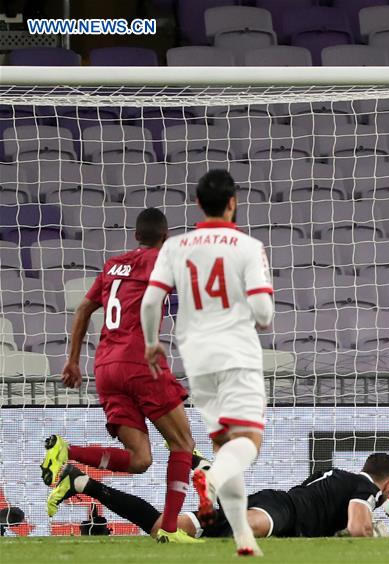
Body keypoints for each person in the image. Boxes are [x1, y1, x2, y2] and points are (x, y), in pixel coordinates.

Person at [42, 207, 198, 544]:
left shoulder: (112, 266)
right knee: (183, 443)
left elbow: (83, 309)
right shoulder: (161, 259)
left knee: (140, 459)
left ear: (136, 236)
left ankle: (66, 451)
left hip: (105, 368)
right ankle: (170, 530)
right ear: (165, 237)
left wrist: (73, 361)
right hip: (139, 363)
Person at [140, 169, 274, 556]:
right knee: (247, 443)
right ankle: (210, 480)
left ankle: (244, 538)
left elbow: (150, 302)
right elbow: (264, 313)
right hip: (237, 354)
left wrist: (151, 344)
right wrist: (256, 313)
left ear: (198, 203)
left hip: (197, 358)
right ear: (233, 203)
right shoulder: (248, 247)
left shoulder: (175, 247)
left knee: (224, 447)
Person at [49, 453, 389, 540]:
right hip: (283, 513)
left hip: (274, 501)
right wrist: (373, 534)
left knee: (162, 528)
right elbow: (358, 528)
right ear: (387, 484)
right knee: (247, 528)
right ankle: (213, 482)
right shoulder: (366, 487)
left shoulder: (333, 473)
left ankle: (83, 484)